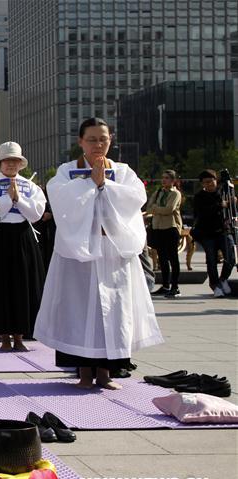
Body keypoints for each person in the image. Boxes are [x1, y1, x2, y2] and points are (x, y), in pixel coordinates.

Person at [35, 117, 164, 390]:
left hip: (113, 251)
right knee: (81, 310)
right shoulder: (67, 171)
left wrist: (105, 185)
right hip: (80, 252)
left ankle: (107, 372)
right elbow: (59, 198)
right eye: (92, 139)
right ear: (81, 142)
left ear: (110, 140)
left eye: (103, 139)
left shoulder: (123, 171)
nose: (98, 145)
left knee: (114, 311)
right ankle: (83, 372)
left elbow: (135, 198)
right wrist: (89, 185)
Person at [0, 142, 47, 351]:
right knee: (1, 285)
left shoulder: (30, 186)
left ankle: (20, 336)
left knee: (24, 285)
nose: (11, 164)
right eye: (7, 161)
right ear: (0, 163)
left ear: (21, 163)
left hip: (23, 237)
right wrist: (7, 198)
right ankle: (4, 336)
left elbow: (36, 214)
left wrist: (18, 199)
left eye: (15, 161)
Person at [191, 169, 235, 297]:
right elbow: (202, 213)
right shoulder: (199, 197)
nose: (209, 184)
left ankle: (223, 279)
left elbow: (231, 209)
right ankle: (215, 285)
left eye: (211, 181)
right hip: (206, 233)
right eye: (206, 182)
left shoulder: (224, 193)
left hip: (224, 231)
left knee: (231, 257)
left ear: (216, 181)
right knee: (211, 260)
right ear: (202, 184)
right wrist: (220, 205)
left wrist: (233, 204)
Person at [147, 170, 183, 298]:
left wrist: (156, 209)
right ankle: (165, 285)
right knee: (162, 259)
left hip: (171, 227)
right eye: (163, 177)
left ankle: (175, 286)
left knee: (173, 258)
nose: (164, 180)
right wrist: (156, 209)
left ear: (173, 180)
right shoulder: (158, 192)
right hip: (158, 228)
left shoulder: (175, 193)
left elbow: (169, 209)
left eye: (167, 178)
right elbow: (148, 208)